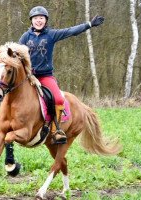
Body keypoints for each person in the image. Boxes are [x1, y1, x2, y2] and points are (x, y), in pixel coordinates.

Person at [19, 6, 104, 144]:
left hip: (45, 76)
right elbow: (16, 53)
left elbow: (70, 31)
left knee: (58, 99)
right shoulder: (25, 37)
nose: (38, 21)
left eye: (41, 18)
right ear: (31, 21)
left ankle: (56, 130)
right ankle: (6, 124)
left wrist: (89, 24)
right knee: (10, 91)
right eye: (35, 18)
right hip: (28, 76)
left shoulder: (51, 35)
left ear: (45, 20)